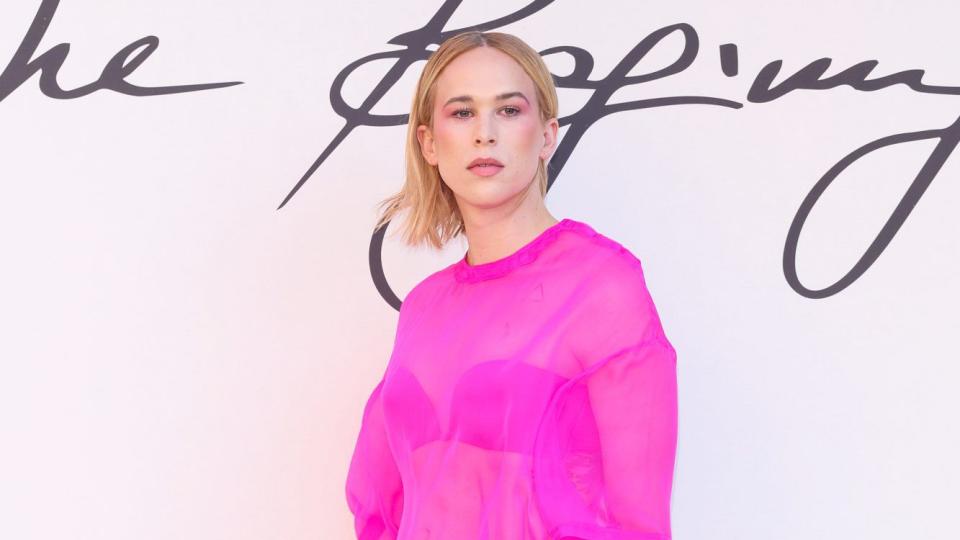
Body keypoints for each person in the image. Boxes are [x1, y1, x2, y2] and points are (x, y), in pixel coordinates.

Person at [346, 30, 678, 539]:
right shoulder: (422, 307)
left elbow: (640, 524)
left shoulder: (601, 286)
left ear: (547, 135)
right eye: (461, 112)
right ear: (429, 143)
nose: (485, 134)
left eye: (508, 110)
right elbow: (381, 506)